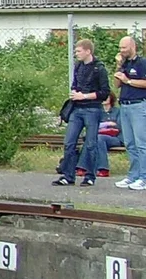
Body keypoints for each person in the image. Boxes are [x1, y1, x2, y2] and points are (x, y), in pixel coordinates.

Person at [55, 38, 109, 187]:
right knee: (69, 142)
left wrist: (84, 96)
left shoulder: (99, 69)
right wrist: (74, 93)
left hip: (92, 109)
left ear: (88, 51)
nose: (76, 53)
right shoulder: (78, 67)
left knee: (91, 144)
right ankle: (68, 175)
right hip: (77, 109)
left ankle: (90, 176)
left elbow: (104, 92)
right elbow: (75, 83)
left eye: (79, 51)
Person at [113, 36, 146, 190]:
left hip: (138, 106)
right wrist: (118, 66)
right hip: (124, 106)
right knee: (130, 144)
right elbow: (117, 84)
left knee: (141, 144)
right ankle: (133, 175)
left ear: (132, 46)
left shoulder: (142, 63)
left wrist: (129, 81)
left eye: (124, 47)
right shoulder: (124, 64)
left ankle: (144, 177)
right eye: (120, 48)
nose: (121, 51)